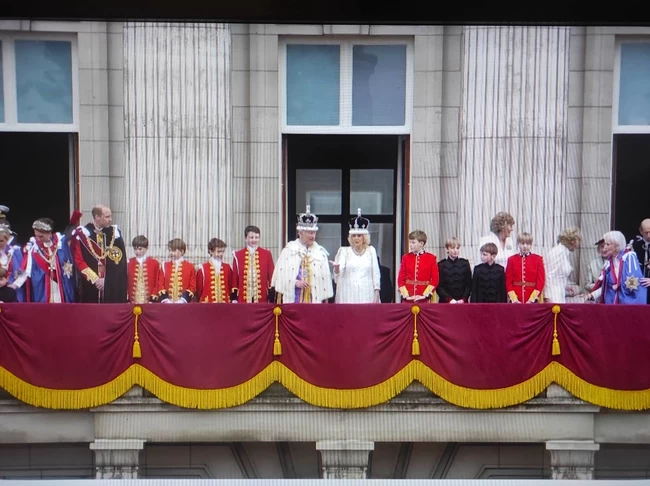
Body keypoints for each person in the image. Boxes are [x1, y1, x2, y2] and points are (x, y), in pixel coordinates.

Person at [270, 206, 333, 303]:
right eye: (309, 233)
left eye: (314, 233)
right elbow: (281, 277)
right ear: (300, 233)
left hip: (314, 302)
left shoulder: (320, 253)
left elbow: (324, 284)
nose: (312, 236)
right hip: (294, 300)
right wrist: (295, 283)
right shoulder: (289, 250)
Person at [69, 204, 128, 303]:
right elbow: (79, 260)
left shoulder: (115, 233)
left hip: (111, 286)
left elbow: (120, 262)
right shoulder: (82, 234)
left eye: (110, 216)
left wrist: (106, 280)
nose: (110, 220)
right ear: (97, 217)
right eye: (107, 217)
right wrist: (95, 279)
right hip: (89, 284)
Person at [11, 217, 77, 303]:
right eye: (36, 235)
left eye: (41, 236)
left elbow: (68, 262)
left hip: (59, 287)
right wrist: (15, 284)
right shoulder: (33, 247)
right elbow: (26, 268)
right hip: (42, 288)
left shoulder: (60, 243)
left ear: (49, 233)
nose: (38, 239)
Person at [331, 209, 381, 303]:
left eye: (359, 235)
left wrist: (377, 292)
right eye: (354, 236)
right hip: (349, 294)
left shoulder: (371, 251)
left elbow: (376, 273)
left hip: (366, 293)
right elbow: (339, 273)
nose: (356, 238)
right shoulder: (344, 251)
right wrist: (336, 269)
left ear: (364, 238)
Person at [586, 230, 647, 305]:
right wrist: (594, 295)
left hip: (628, 304)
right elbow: (607, 286)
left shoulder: (629, 257)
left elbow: (633, 282)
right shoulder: (609, 263)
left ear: (617, 245)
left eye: (608, 244)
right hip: (612, 305)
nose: (604, 247)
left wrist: (619, 285)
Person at [231, 225, 275, 303]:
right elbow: (235, 278)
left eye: (256, 237)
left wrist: (271, 296)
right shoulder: (237, 255)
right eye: (251, 237)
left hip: (262, 298)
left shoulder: (266, 254)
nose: (254, 240)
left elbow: (271, 276)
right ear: (245, 238)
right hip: (243, 299)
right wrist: (234, 297)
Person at [397, 230, 439, 303]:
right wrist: (406, 295)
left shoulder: (431, 258)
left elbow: (435, 280)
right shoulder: (405, 258)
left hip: (424, 299)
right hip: (408, 299)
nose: (410, 245)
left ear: (421, 244)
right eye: (410, 242)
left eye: (413, 242)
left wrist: (425, 295)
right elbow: (400, 279)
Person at [543, 227, 581, 303]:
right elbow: (549, 275)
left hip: (559, 293)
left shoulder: (563, 252)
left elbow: (559, 275)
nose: (579, 244)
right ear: (573, 241)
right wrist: (548, 297)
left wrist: (567, 286)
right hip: (553, 295)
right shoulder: (559, 252)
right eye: (579, 241)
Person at [505, 232, 545, 303]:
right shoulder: (511, 260)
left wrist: (532, 299)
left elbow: (540, 281)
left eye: (528, 244)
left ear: (531, 245)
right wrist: (514, 299)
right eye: (522, 243)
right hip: (516, 299)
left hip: (532, 298)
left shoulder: (538, 259)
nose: (525, 246)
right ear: (518, 244)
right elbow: (508, 281)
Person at [127, 235, 164, 304]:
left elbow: (157, 280)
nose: (137, 251)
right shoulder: (129, 262)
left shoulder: (154, 263)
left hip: (150, 301)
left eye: (140, 249)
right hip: (132, 301)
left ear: (147, 248)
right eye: (135, 249)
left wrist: (154, 295)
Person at [196, 238, 235, 303]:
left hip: (225, 306)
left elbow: (231, 286)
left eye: (222, 251)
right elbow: (199, 291)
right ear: (211, 251)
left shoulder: (228, 268)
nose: (221, 254)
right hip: (207, 306)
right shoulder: (202, 269)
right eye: (218, 252)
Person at [159, 238, 196, 304]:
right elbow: (160, 284)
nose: (171, 253)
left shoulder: (190, 266)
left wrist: (183, 300)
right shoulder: (164, 266)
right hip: (167, 304)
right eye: (170, 250)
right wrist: (166, 300)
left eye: (173, 251)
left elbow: (192, 286)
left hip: (184, 305)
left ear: (182, 251)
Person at [436, 237, 472, 304]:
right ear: (447, 249)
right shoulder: (441, 265)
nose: (455, 250)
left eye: (457, 248)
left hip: (462, 302)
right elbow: (439, 286)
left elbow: (468, 284)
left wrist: (463, 299)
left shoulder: (465, 263)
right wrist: (449, 299)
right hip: (446, 303)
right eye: (453, 248)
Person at [0, 224, 25, 302]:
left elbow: (21, 271)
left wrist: (15, 285)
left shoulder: (15, 252)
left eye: (1, 241)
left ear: (7, 240)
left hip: (12, 290)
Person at [630, 218, 650, 304]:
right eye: (646, 232)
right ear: (640, 231)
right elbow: (628, 268)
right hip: (638, 289)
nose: (649, 235)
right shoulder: (633, 245)